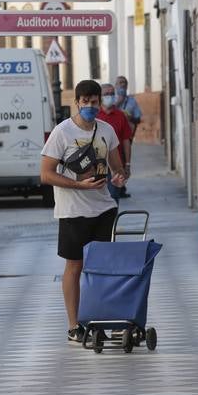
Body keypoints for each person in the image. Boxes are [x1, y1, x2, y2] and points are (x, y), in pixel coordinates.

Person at [40, 79, 126, 343]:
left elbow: (117, 167)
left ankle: (107, 320)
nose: (90, 106)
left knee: (105, 267)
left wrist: (120, 177)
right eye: (85, 102)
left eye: (94, 101)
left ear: (100, 102)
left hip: (104, 208)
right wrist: (78, 185)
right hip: (72, 210)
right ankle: (74, 325)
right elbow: (45, 174)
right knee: (75, 266)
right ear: (76, 102)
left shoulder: (107, 130)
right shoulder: (62, 132)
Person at [96, 83, 132, 202]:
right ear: (100, 96)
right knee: (98, 199)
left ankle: (112, 220)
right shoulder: (94, 115)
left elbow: (126, 141)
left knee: (113, 198)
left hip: (116, 164)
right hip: (97, 164)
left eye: (112, 94)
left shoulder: (121, 116)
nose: (109, 96)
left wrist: (127, 164)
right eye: (106, 94)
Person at [114, 76, 142, 198]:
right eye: (119, 83)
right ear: (115, 85)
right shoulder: (112, 100)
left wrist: (130, 118)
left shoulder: (132, 101)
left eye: (124, 83)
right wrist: (118, 103)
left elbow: (138, 118)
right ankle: (116, 185)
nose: (122, 85)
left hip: (126, 136)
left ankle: (122, 186)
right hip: (113, 136)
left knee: (124, 159)